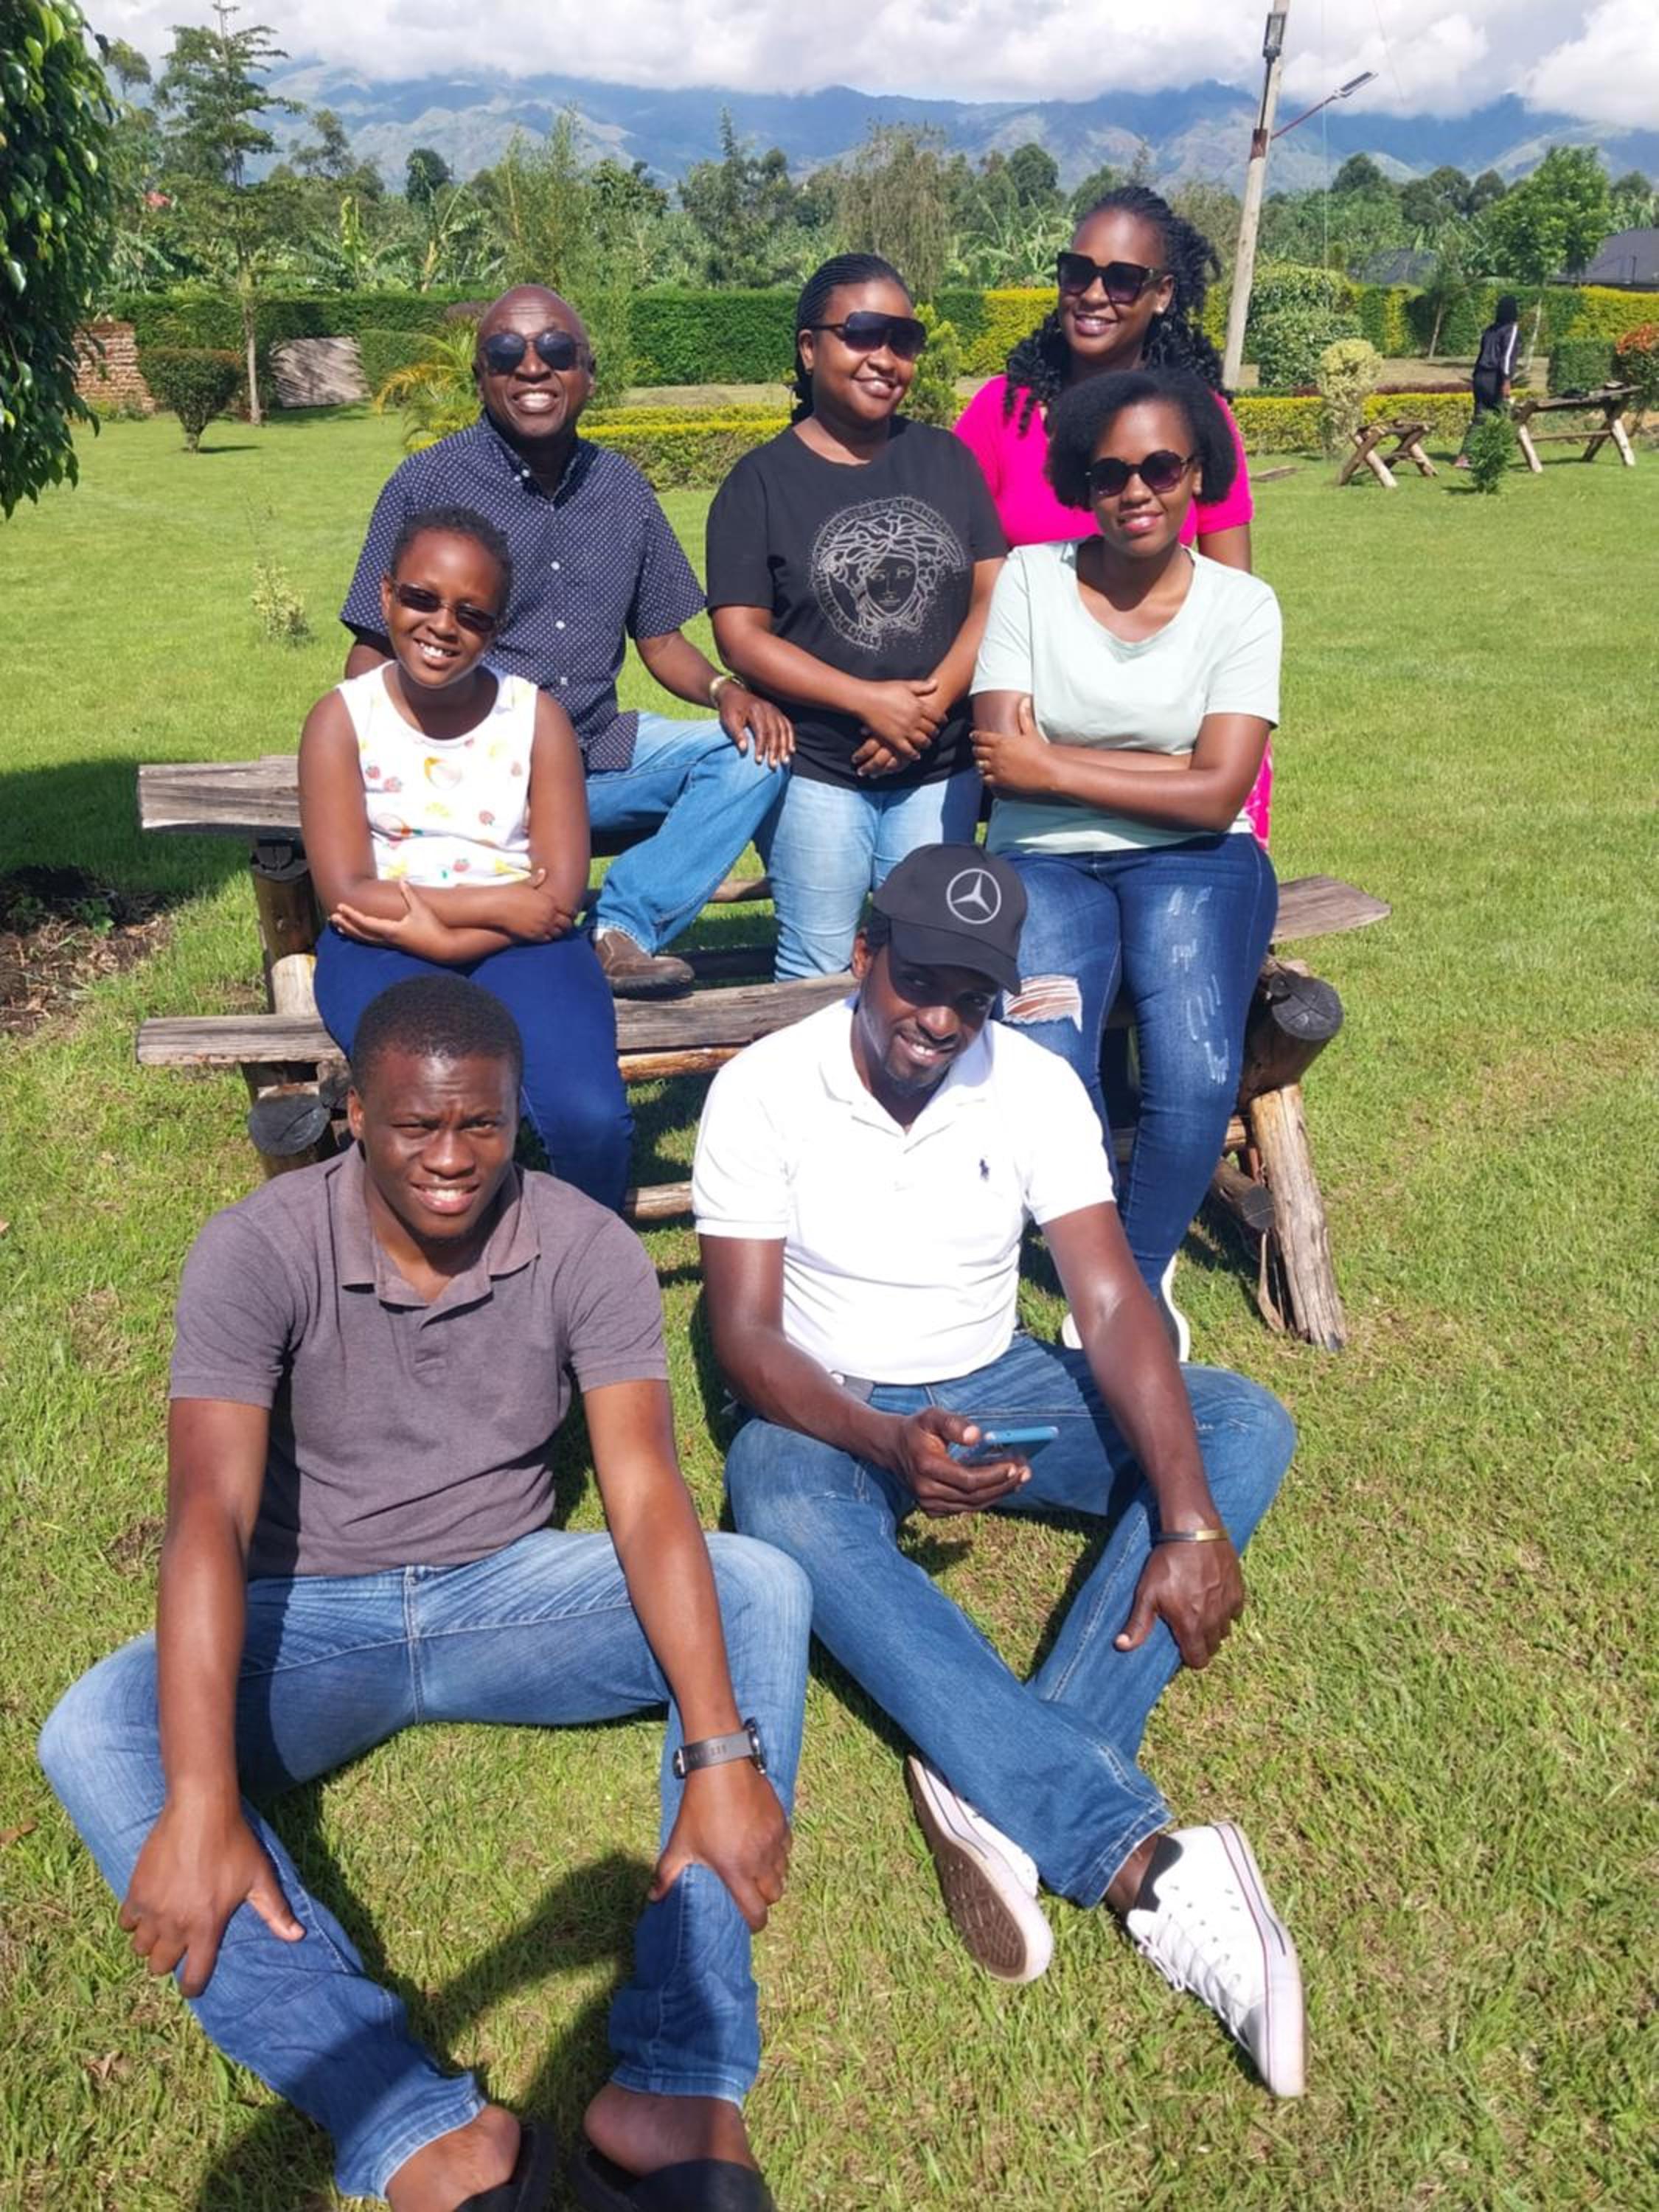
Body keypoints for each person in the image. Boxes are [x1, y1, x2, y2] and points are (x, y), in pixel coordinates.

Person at [40, 977, 808, 2212]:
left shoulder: (585, 1245)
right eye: (416, 1126)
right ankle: (412, 2126)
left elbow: (646, 1494)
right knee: (93, 1730)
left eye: (481, 1125)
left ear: (517, 1112)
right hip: (313, 1615)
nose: (451, 1159)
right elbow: (207, 1518)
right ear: (355, 1113)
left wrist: (721, 1752)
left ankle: (676, 2079)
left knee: (758, 1586)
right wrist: (200, 1797)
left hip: (505, 1596)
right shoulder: (257, 1250)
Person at [694, 846, 1304, 2099]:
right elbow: (745, 1338)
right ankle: (1142, 1861)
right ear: (863, 955)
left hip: (996, 1385)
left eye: (970, 996)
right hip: (827, 1405)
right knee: (777, 1501)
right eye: (917, 980)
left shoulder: (1029, 1084)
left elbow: (1112, 1303)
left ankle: (1000, 1777)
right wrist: (881, 1442)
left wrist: (1189, 1522)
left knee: (1239, 1424)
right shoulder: (763, 1088)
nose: (938, 1018)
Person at [341, 285, 793, 999]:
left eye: (556, 350)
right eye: (505, 353)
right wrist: (353, 761)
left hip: (597, 753)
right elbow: (374, 644)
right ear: (480, 376)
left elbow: (661, 639)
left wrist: (723, 690)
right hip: (471, 775)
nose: (532, 368)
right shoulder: (426, 484)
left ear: (588, 373)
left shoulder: (622, 489)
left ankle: (620, 929)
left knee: (756, 751)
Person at [971, 367, 1281, 1354]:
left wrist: (1054, 765)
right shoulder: (1030, 580)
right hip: (1045, 864)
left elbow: (1219, 794)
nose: (1135, 490)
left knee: (1193, 1066)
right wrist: (1165, 769)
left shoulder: (1242, 606)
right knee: (1050, 1058)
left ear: (1199, 475)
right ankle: (1110, 1257)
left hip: (1198, 859)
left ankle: (1129, 1285)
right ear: (1080, 481)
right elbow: (1001, 759)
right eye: (1108, 473)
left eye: (1160, 467)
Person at [302, 503, 632, 1212]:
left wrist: (452, 934)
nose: (442, 625)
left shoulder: (535, 718)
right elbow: (348, 893)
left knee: (590, 1117)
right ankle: (424, 1247)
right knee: (417, 1104)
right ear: (386, 595)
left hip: (526, 945)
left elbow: (557, 898)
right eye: (421, 598)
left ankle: (589, 1256)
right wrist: (484, 910)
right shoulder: (343, 719)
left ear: (497, 627)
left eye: (472, 613)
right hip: (380, 943)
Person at [706, 254, 1005, 978]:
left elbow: (995, 593)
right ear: (810, 348)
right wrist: (869, 702)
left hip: (940, 767)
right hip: (816, 770)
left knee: (930, 958)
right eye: (864, 333)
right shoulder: (758, 483)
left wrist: (926, 708)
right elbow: (741, 638)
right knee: (816, 964)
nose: (885, 358)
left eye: (904, 339)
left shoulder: (947, 459)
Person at [953, 184, 1273, 844]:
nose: (1094, 295)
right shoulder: (1002, 414)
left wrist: (1060, 764)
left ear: (1163, 293)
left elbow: (1229, 605)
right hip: (1020, 737)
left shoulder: (1198, 423)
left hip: (1165, 748)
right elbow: (948, 572)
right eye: (1078, 271)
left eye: (1123, 279)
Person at [1455, 293, 1522, 467]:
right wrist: (1506, 380)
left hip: (1480, 376)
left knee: (1480, 417)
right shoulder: (1511, 329)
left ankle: (1465, 456)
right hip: (1495, 377)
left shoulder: (1490, 329)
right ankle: (1493, 455)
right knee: (1500, 415)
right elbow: (1506, 357)